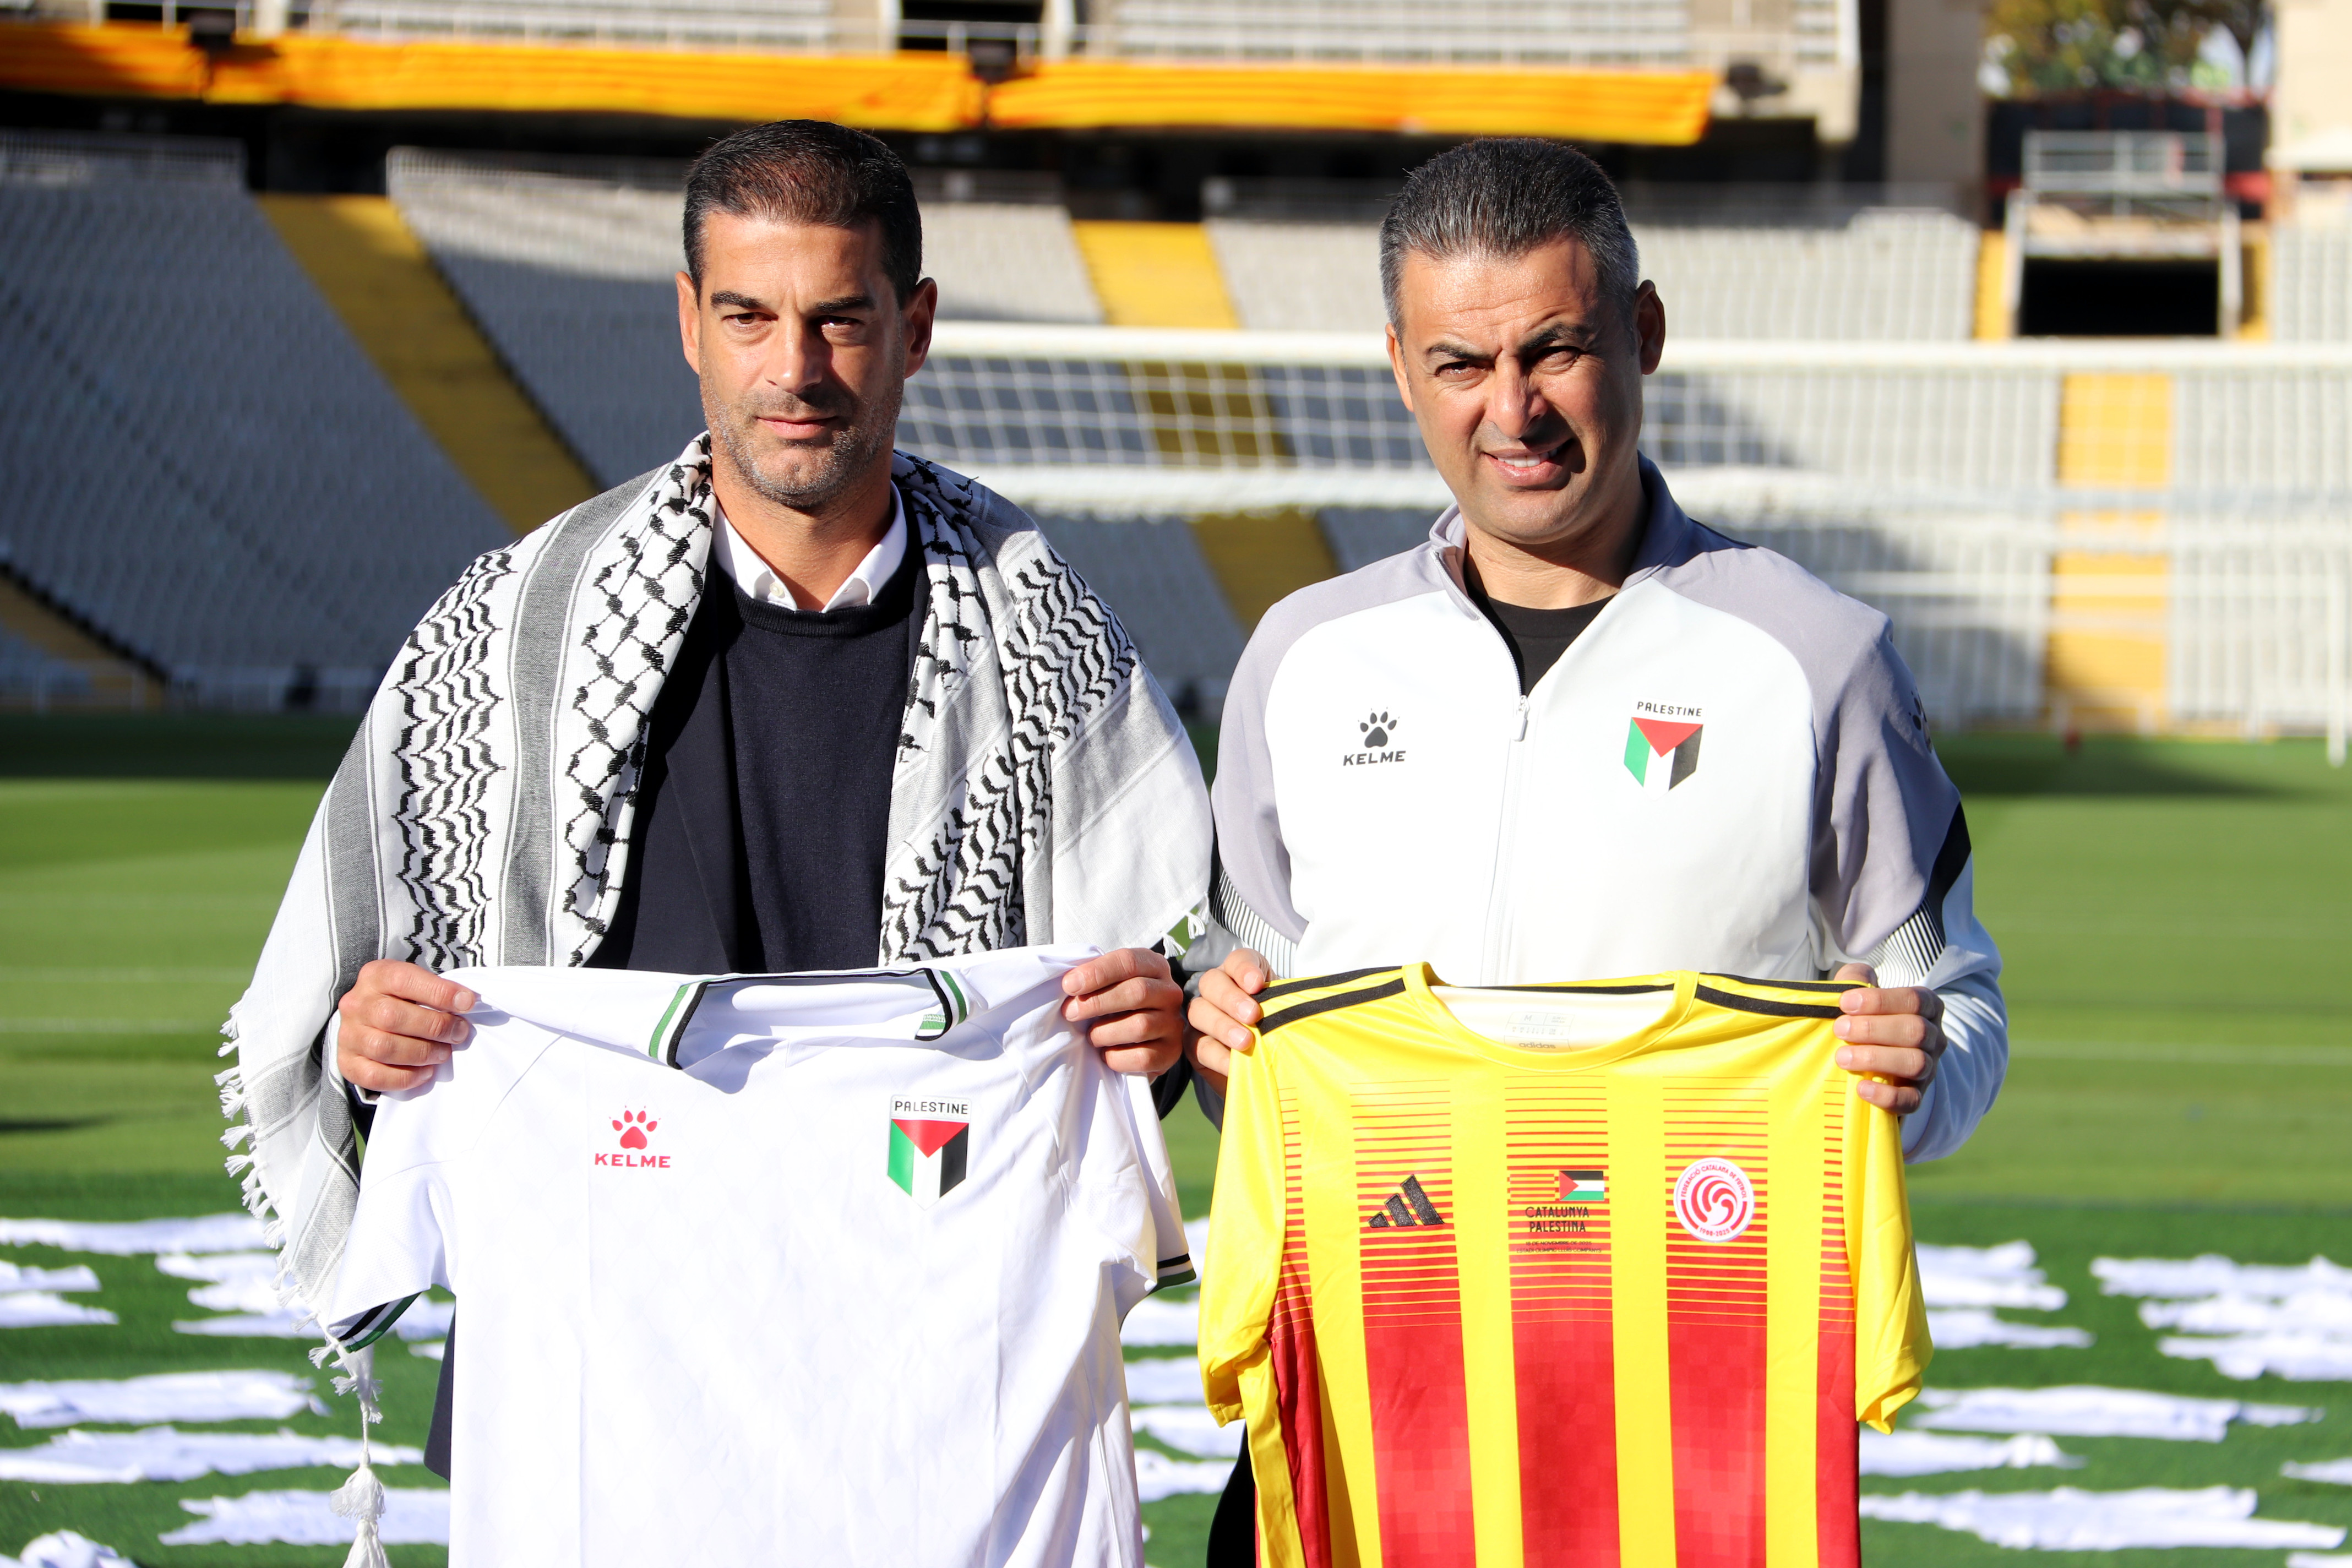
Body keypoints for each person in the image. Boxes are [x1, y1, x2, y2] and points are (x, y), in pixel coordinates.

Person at [222, 121, 1210, 1477]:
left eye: (839, 319)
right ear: (689, 323)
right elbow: (353, 1004)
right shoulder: (520, 632)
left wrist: (1152, 1028)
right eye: (747, 314)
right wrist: (368, 1040)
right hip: (595, 1350)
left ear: (914, 327)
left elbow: (1160, 990)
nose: (792, 369)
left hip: (922, 1360)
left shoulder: (1049, 640)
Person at [1180, 137, 2008, 1558]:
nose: (1513, 410)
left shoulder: (1814, 657)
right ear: (1400, 368)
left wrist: (1918, 1069)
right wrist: (1216, 1031)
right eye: (1460, 365)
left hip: (1686, 1435)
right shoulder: (1302, 662)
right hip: (1379, 1432)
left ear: (1643, 334)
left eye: (1554, 351)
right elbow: (1239, 1000)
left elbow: (1967, 1009)